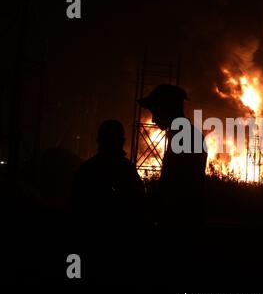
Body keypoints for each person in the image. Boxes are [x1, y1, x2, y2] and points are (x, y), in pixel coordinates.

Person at [138, 84, 207, 228]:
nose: (153, 119)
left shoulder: (184, 138)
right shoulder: (184, 135)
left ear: (166, 109)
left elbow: (178, 188)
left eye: (155, 111)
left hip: (179, 223)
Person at [71, 119, 144, 225]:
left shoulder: (87, 169)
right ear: (121, 141)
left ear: (99, 141)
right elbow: (138, 202)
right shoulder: (127, 169)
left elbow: (76, 204)